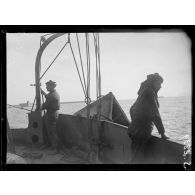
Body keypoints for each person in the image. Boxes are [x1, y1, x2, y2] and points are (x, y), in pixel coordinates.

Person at [128, 73, 169, 163]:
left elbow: (131, 109)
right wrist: (162, 133)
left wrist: (135, 122)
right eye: (159, 83)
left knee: (136, 158)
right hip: (141, 133)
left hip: (134, 131)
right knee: (136, 160)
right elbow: (155, 114)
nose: (160, 86)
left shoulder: (144, 91)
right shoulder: (149, 92)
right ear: (153, 82)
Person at [40, 80, 60, 155]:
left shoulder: (51, 96)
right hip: (52, 113)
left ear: (51, 86)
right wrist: (44, 93)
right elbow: (48, 97)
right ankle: (49, 144)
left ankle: (55, 148)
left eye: (47, 86)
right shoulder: (54, 93)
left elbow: (44, 106)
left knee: (52, 132)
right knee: (49, 130)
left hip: (51, 114)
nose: (46, 87)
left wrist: (39, 108)